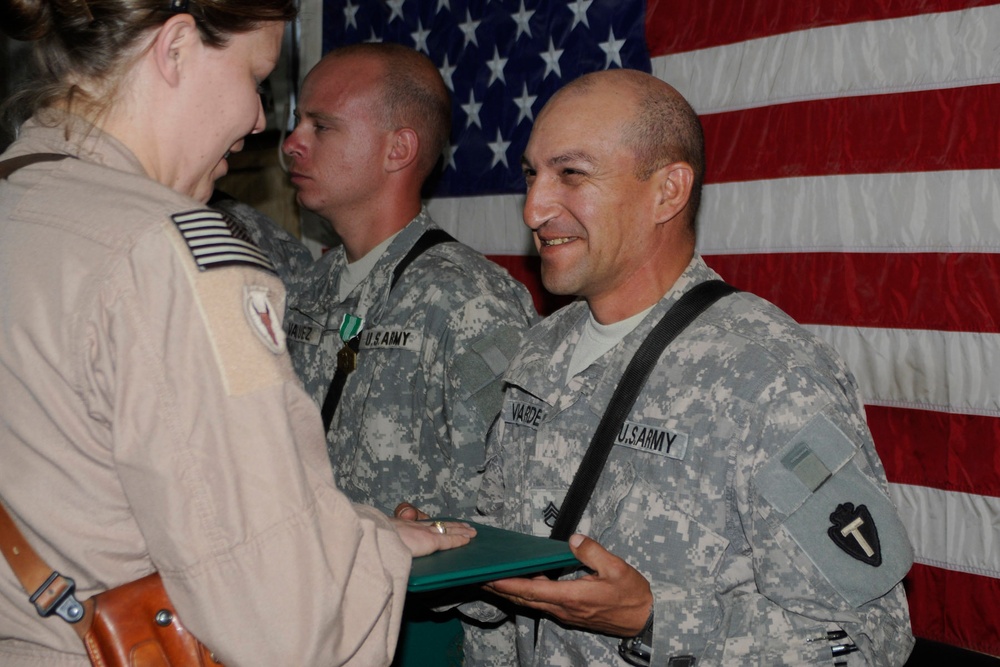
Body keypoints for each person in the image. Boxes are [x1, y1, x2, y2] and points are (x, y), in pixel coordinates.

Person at [0, 2, 473, 665]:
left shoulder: (21, 206)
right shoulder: (170, 256)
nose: (260, 120)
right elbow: (285, 618)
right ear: (176, 49)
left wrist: (351, 526)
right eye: (257, 78)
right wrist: (378, 549)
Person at [457, 69, 915, 666]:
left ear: (669, 191)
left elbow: (867, 640)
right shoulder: (542, 351)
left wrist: (653, 619)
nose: (535, 207)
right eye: (531, 175)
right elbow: (507, 574)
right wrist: (448, 548)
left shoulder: (766, 374)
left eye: (571, 174)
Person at [280, 42, 537, 666]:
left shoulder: (469, 301)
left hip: (425, 631)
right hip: (308, 618)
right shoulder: (304, 293)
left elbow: (508, 510)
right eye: (297, 122)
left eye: (322, 125)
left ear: (399, 149)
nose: (291, 142)